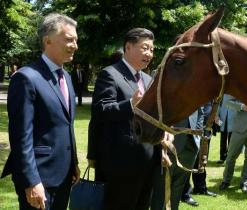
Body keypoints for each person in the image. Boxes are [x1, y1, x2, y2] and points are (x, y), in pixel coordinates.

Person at [1, 13, 80, 210]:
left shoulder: (67, 77)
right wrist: (31, 181)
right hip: (39, 178)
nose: (75, 45)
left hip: (64, 174)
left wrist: (74, 163)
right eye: (69, 39)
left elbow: (65, 125)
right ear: (48, 41)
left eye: (76, 40)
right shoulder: (27, 78)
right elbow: (21, 136)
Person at [87, 28, 161, 210]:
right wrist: (130, 105)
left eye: (151, 50)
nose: (149, 54)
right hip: (119, 164)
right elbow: (100, 110)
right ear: (128, 47)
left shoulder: (147, 78)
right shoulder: (110, 74)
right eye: (145, 48)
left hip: (148, 161)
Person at [151, 108, 204, 210]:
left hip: (191, 146)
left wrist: (197, 135)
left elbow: (200, 113)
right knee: (161, 189)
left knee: (178, 188)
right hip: (169, 144)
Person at [216, 94, 236, 164]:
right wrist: (216, 115)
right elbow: (219, 103)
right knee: (223, 139)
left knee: (231, 140)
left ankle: (229, 158)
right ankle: (222, 157)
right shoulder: (222, 91)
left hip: (233, 116)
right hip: (223, 115)